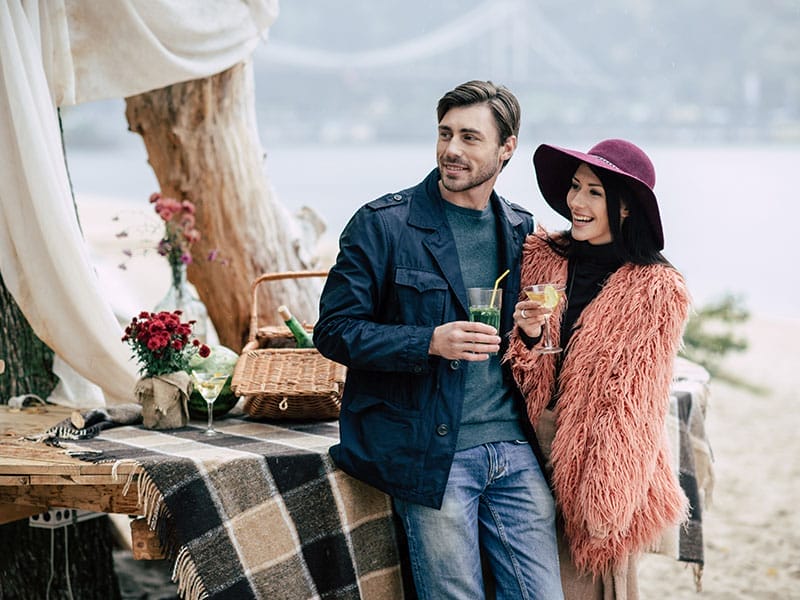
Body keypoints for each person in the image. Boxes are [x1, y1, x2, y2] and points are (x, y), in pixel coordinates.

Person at [315, 80, 563, 599]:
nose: (452, 149)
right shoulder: (383, 224)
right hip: (434, 452)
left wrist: (530, 330)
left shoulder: (522, 230)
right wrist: (428, 340)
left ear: (506, 148)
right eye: (445, 134)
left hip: (513, 448)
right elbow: (334, 331)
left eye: (471, 137)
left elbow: (525, 348)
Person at [506, 139, 690, 600]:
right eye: (574, 187)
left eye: (593, 192)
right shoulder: (543, 256)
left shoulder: (655, 288)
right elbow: (526, 374)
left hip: (601, 459)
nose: (576, 203)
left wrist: (605, 495)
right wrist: (527, 337)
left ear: (625, 206)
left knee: (585, 585)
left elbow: (633, 403)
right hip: (528, 444)